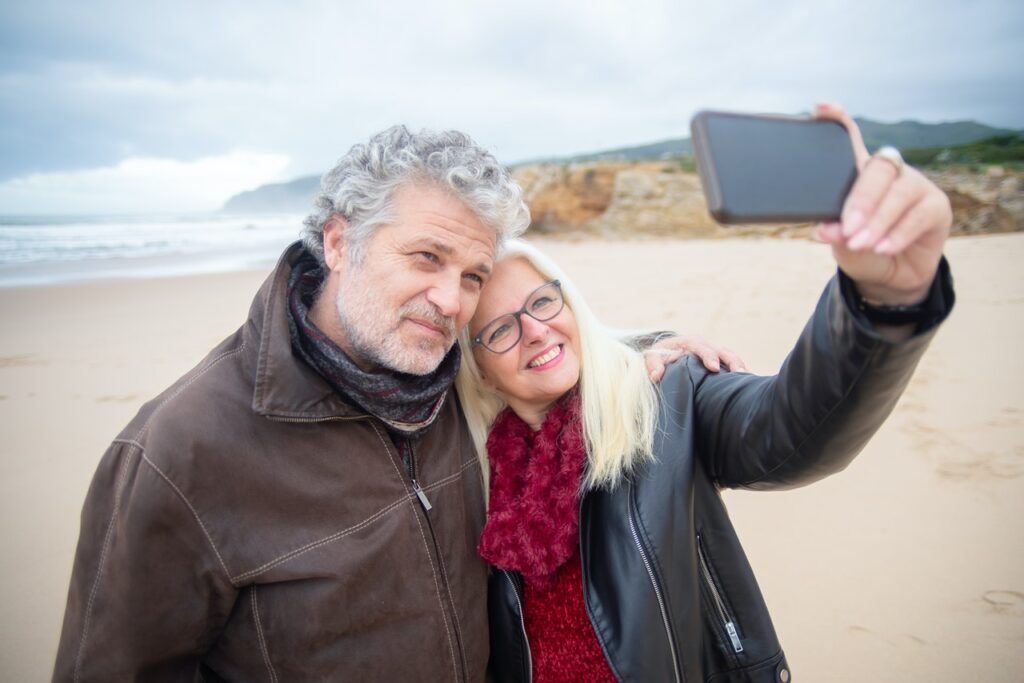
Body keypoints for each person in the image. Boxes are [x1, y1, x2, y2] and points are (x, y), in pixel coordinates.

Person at [53, 124, 733, 682]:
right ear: (340, 242)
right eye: (426, 257)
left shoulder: (460, 389)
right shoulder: (179, 453)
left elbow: (542, 357)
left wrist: (638, 352)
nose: (450, 300)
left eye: (471, 275)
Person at [454, 104, 955, 683]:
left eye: (542, 302)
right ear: (481, 369)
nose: (536, 330)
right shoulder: (475, 465)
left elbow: (793, 431)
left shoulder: (667, 394)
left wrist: (882, 299)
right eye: (500, 329)